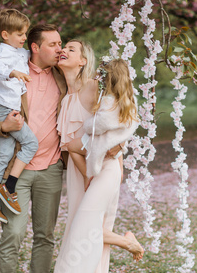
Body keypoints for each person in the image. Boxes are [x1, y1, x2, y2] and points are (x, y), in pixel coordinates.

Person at [0, 23, 66, 273]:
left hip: (51, 168)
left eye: (60, 43)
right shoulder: (11, 72)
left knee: (45, 236)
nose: (59, 49)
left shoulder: (63, 75)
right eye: (54, 44)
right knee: (13, 234)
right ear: (35, 47)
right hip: (19, 170)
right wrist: (3, 127)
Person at [54, 45, 144, 272]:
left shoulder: (95, 85)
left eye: (71, 48)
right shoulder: (61, 92)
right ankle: (124, 243)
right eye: (63, 47)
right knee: (79, 222)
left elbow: (125, 105)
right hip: (79, 168)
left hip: (104, 165)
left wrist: (120, 143)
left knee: (88, 222)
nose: (64, 49)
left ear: (83, 61)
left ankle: (123, 244)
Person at [0, 9, 40, 224]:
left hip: (7, 106)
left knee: (4, 154)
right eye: (20, 34)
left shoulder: (20, 51)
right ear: (6, 35)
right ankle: (9, 186)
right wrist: (14, 73)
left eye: (25, 34)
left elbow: (32, 55)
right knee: (31, 144)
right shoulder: (3, 51)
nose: (24, 38)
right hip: (1, 105)